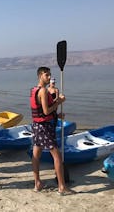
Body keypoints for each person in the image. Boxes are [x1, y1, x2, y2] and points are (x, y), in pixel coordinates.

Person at [30, 66, 75, 196]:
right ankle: (61, 186)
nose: (49, 77)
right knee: (57, 156)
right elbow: (46, 111)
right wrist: (59, 101)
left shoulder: (34, 90)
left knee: (36, 154)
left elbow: (43, 109)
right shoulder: (43, 91)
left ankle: (37, 183)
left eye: (50, 75)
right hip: (44, 127)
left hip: (36, 126)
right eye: (46, 75)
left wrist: (56, 114)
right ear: (40, 76)